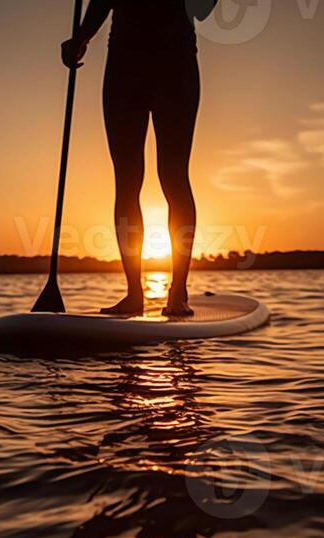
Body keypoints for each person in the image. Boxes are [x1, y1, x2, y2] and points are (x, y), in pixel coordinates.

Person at [62, 0, 219, 317]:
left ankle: (177, 291)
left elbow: (202, 9)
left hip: (175, 65)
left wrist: (82, 37)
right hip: (124, 66)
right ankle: (135, 293)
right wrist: (81, 38)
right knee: (127, 181)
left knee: (173, 177)